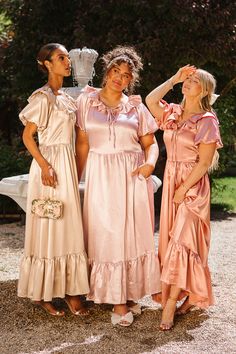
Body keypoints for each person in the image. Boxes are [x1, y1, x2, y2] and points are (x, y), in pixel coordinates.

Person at [75, 46, 161, 327]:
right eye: (116, 72)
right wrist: (76, 178)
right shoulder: (86, 102)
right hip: (101, 174)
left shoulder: (136, 106)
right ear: (107, 71)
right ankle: (117, 300)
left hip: (132, 174)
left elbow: (150, 144)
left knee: (132, 234)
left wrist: (149, 165)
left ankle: (130, 294)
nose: (119, 78)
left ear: (130, 80)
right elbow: (83, 144)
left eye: (125, 76)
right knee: (108, 233)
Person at [146, 65, 223, 330]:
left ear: (204, 90)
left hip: (193, 186)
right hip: (171, 179)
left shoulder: (207, 120)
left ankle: (170, 304)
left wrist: (183, 189)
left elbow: (203, 164)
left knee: (183, 240)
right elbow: (150, 100)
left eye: (192, 81)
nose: (187, 83)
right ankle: (186, 293)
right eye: (186, 80)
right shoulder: (174, 114)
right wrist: (173, 77)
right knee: (172, 240)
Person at [17, 43, 90, 316]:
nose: (67, 62)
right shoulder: (42, 97)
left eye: (67, 58)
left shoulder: (68, 99)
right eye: (61, 58)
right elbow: (27, 137)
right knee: (49, 224)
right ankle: (42, 292)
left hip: (67, 165)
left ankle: (71, 291)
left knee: (69, 224)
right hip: (48, 167)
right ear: (47, 64)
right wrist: (45, 166)